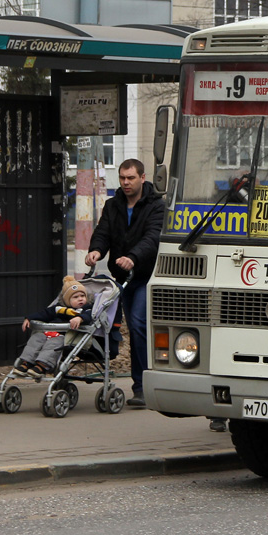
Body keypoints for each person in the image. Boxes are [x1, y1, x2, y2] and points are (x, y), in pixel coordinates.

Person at [85, 159, 165, 408]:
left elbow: (153, 238)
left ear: (142, 178)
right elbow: (103, 233)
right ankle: (141, 380)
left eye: (130, 178)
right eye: (122, 178)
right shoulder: (113, 205)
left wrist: (133, 257)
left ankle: (141, 386)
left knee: (139, 324)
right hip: (120, 279)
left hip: (144, 275)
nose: (126, 183)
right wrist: (96, 251)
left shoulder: (156, 206)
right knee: (118, 326)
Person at [13, 277, 93, 379]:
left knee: (53, 344)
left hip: (63, 336)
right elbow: (44, 313)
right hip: (48, 332)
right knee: (36, 338)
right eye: (75, 297)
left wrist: (80, 318)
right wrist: (29, 318)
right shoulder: (58, 308)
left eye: (82, 295)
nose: (80, 299)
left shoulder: (86, 309)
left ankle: (42, 366)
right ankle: (26, 363)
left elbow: (89, 316)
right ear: (67, 300)